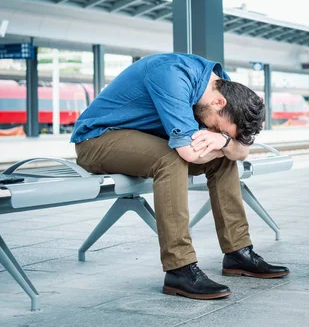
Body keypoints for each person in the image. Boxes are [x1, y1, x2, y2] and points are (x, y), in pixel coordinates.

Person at [70, 52, 289, 300]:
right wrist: (225, 145)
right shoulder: (172, 75)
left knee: (223, 159)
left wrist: (224, 140)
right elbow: (187, 153)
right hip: (98, 139)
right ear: (219, 104)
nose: (212, 130)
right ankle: (179, 268)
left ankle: (239, 253)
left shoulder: (222, 86)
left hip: (145, 141)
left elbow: (241, 151)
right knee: (171, 159)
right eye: (217, 126)